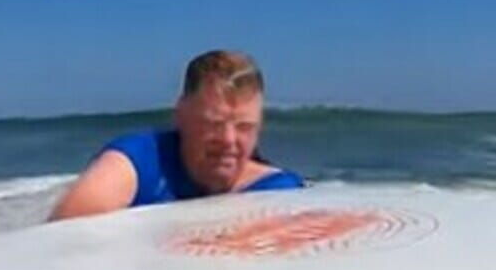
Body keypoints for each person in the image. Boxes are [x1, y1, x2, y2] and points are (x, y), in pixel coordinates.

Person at [48, 49, 305, 221]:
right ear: (180, 115)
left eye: (244, 127)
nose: (228, 141)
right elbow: (58, 240)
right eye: (213, 124)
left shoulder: (279, 191)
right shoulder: (138, 163)